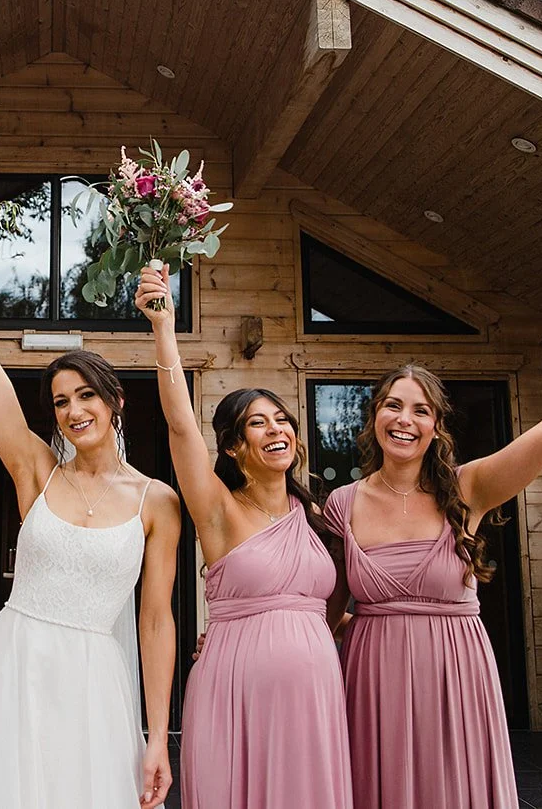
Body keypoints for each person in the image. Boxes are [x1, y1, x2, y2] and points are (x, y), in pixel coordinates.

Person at [326, 297, 542, 809]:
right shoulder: (342, 503)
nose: (405, 420)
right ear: (375, 416)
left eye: (420, 410)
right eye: (393, 405)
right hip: (372, 678)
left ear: (436, 428)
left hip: (455, 672)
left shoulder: (470, 488)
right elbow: (326, 608)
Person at [0, 255, 181, 809]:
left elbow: (154, 621)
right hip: (11, 667)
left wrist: (156, 739)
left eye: (86, 396)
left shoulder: (158, 502)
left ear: (115, 402)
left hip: (93, 686)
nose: (73, 411)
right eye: (60, 401)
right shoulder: (38, 472)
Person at [134, 266, 352, 808]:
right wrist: (164, 326)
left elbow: (337, 606)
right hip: (235, 689)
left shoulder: (321, 515)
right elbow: (181, 426)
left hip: (316, 694)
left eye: (283, 420)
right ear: (233, 447)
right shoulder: (219, 511)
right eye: (258, 423)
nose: (277, 429)